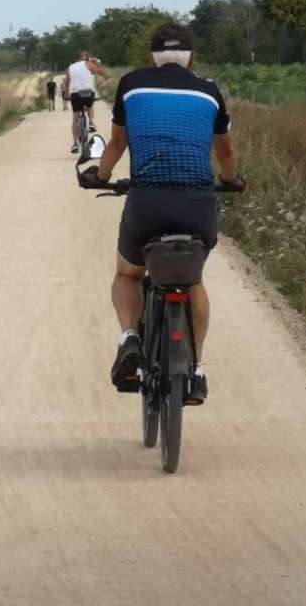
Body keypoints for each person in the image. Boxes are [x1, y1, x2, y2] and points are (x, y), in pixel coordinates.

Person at [81, 22, 244, 404]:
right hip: (197, 204)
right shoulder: (209, 91)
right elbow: (225, 154)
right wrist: (232, 180)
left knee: (128, 273)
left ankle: (130, 338)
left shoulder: (132, 84)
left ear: (150, 57)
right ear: (192, 58)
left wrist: (100, 175)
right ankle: (197, 370)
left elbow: (118, 142)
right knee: (193, 280)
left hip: (147, 201)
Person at [64, 51, 107, 153]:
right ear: (88, 58)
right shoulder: (90, 64)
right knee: (90, 105)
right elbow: (103, 73)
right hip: (88, 94)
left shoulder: (71, 67)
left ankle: (75, 144)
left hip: (75, 95)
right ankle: (91, 122)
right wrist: (97, 63)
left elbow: (67, 82)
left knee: (75, 118)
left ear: (77, 59)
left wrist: (66, 95)